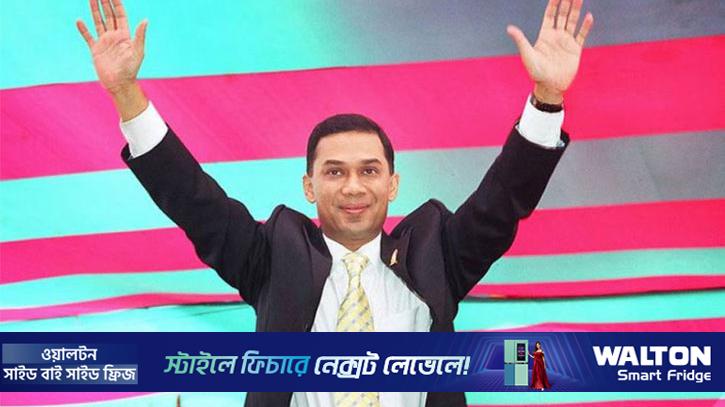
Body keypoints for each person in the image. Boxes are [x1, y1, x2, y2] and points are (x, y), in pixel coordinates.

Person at [76, 0, 592, 406]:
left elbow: (504, 199)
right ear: (309, 186)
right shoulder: (270, 257)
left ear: (392, 184)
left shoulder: (437, 253)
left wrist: (547, 96)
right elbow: (193, 199)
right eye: (335, 172)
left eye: (369, 171)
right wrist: (126, 94)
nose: (352, 187)